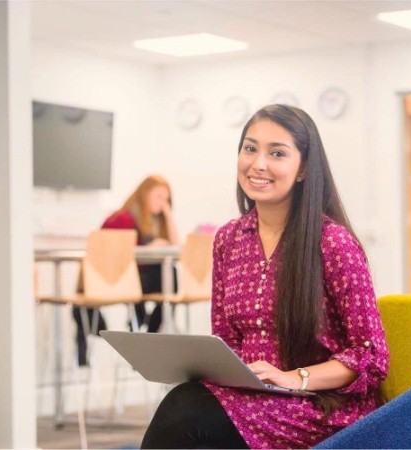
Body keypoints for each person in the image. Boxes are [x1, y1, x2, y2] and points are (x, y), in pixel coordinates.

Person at [140, 105, 389, 449]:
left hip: (321, 406)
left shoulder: (333, 242)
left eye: (277, 153)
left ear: (304, 168)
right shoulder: (228, 238)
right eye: (250, 148)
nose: (258, 164)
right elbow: (227, 339)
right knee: (187, 401)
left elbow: (371, 356)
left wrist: (294, 378)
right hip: (253, 396)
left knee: (186, 410)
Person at [73, 174, 179, 365]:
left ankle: (146, 337)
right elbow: (109, 257)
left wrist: (169, 215)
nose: (163, 203)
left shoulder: (156, 222)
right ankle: (144, 337)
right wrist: (147, 249)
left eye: (166, 199)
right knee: (169, 278)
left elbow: (175, 245)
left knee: (171, 278)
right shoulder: (122, 219)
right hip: (115, 279)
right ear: (144, 194)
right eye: (159, 197)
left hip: (140, 279)